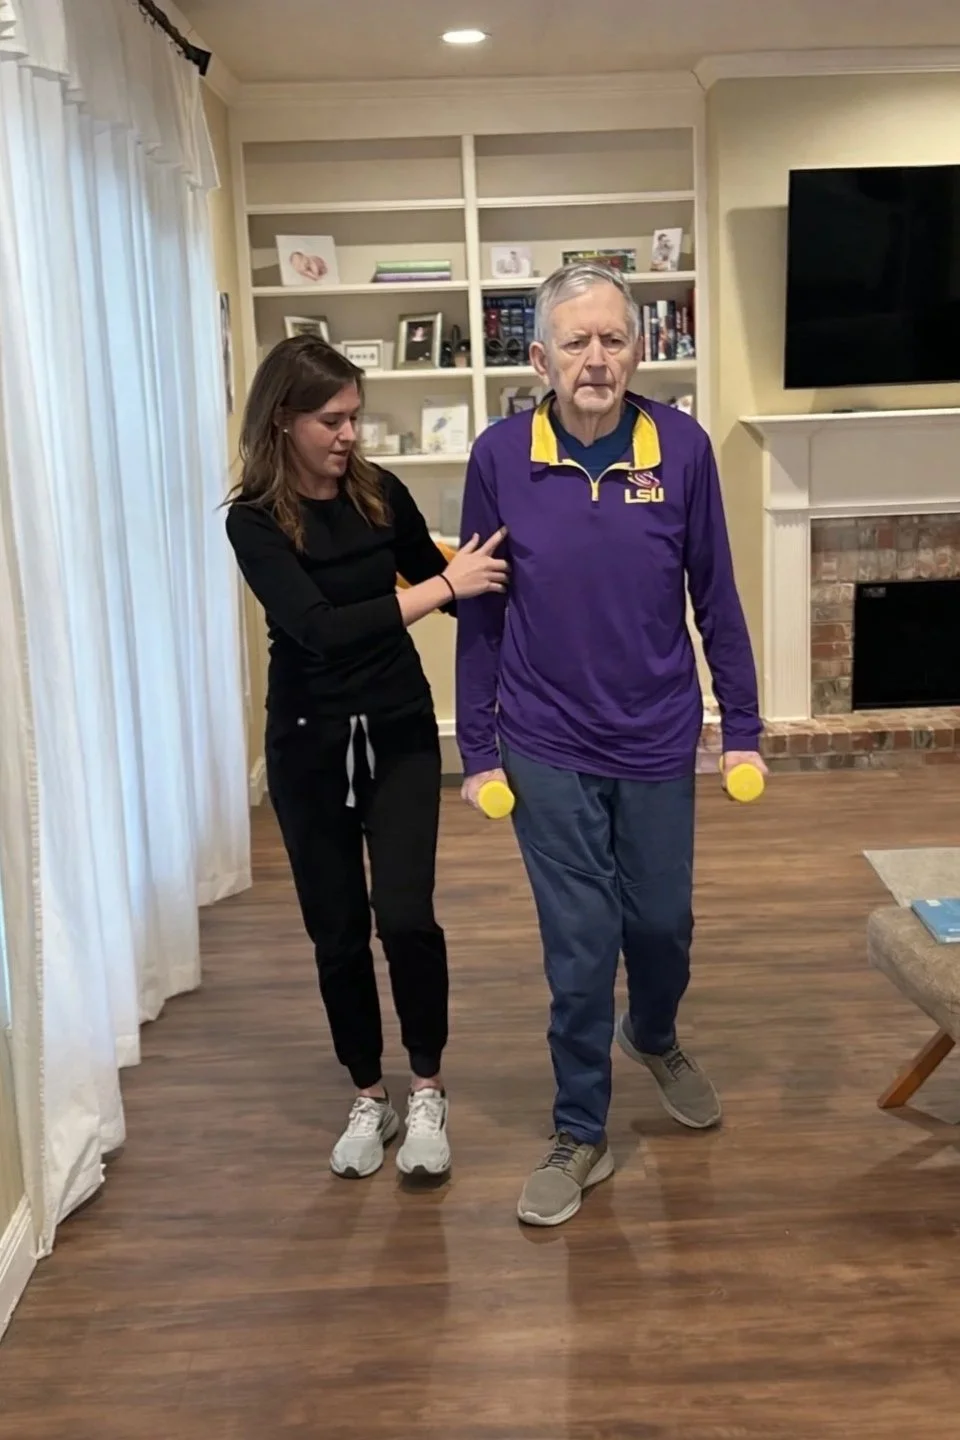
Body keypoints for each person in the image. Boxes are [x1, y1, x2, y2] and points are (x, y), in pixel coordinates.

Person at [455, 262, 766, 1227]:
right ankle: (580, 1129)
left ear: (642, 347)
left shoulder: (682, 448)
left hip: (659, 733)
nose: (599, 359)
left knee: (662, 924)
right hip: (544, 739)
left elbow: (716, 596)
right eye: (578, 343)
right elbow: (479, 612)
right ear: (540, 357)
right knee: (581, 943)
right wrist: (480, 752)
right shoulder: (500, 456)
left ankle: (657, 1032)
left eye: (615, 339)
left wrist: (742, 730)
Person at [226, 336, 507, 1182]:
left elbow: (442, 579)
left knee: (407, 916)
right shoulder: (253, 520)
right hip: (308, 746)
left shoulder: (382, 493)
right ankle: (367, 1093)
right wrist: (442, 589)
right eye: (332, 419)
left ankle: (427, 1089)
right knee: (338, 934)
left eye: (355, 416)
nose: (351, 433)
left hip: (398, 733)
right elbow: (317, 627)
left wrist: (525, 598)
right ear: (284, 421)